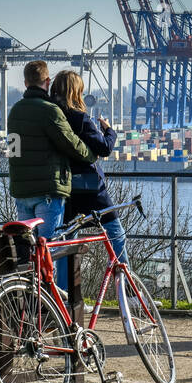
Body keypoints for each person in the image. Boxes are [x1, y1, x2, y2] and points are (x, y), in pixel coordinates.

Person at [6, 60, 99, 288]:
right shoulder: (50, 111)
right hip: (48, 190)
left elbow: (13, 150)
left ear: (26, 82)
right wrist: (92, 155)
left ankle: (30, 300)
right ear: (47, 82)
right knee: (49, 251)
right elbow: (72, 143)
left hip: (22, 191)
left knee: (28, 254)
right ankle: (50, 304)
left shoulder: (15, 110)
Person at [49, 71, 126, 294]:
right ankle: (127, 291)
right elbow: (104, 148)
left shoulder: (52, 116)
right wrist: (110, 131)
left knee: (66, 243)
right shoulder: (79, 118)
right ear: (76, 91)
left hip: (64, 187)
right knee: (116, 233)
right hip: (91, 190)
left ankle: (65, 297)